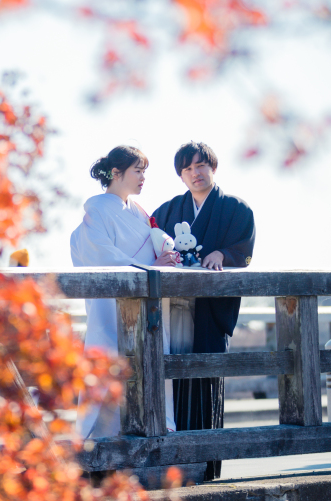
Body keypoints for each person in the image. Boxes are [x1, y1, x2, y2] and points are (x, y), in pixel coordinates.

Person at [152, 141, 255, 480]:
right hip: (174, 311)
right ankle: (171, 463)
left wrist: (223, 255)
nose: (195, 173)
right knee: (172, 382)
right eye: (188, 169)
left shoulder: (236, 209)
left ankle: (205, 468)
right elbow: (149, 240)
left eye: (201, 166)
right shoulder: (168, 211)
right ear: (180, 175)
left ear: (213, 167)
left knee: (205, 381)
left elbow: (243, 247)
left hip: (209, 312)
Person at [70, 145, 179, 440]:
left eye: (145, 171)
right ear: (116, 173)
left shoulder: (137, 212)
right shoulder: (98, 213)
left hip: (148, 308)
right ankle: (102, 444)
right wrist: (153, 265)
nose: (143, 177)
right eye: (138, 171)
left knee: (149, 368)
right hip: (111, 314)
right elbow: (104, 259)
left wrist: (166, 257)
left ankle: (155, 430)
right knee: (111, 371)